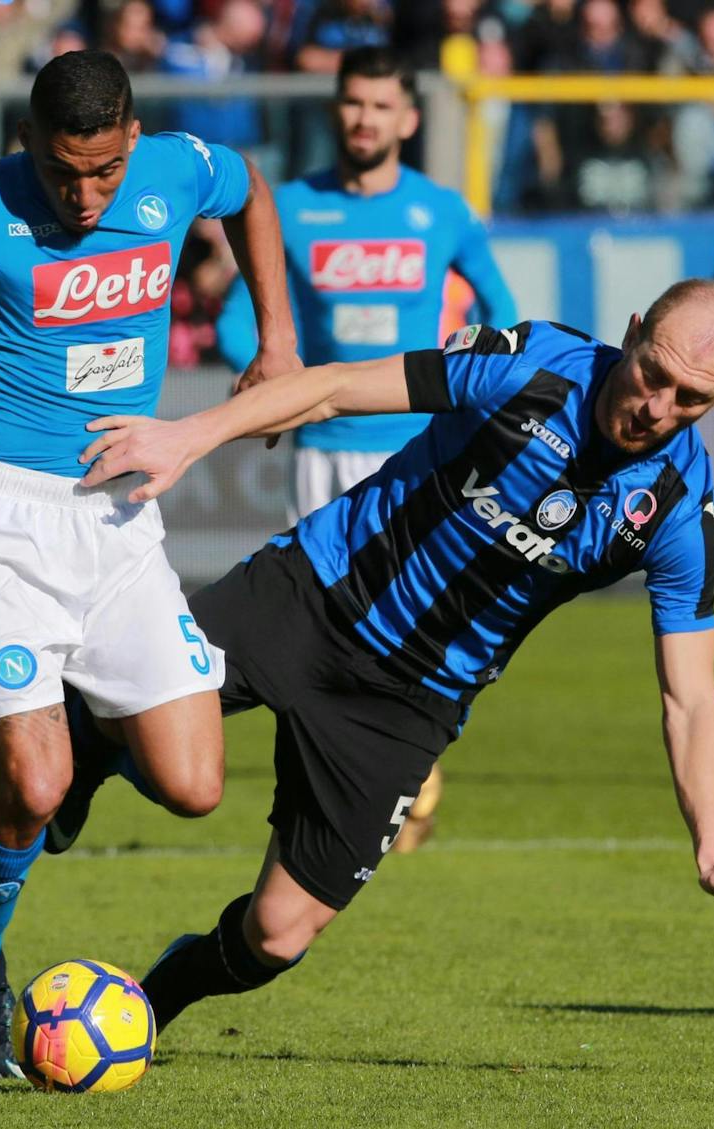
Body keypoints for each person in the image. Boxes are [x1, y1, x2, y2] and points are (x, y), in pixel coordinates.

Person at [0, 278, 714, 1045]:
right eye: (653, 370)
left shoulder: (678, 512)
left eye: (690, 397)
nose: (655, 403)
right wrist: (191, 436)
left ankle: (138, 1014)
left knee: (277, 933)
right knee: (121, 716)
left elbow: (691, 697)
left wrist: (713, 842)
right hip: (308, 596)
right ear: (635, 328)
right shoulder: (535, 365)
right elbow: (330, 386)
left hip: (409, 706)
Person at [0, 49, 298, 1078]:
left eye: (101, 172)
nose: (84, 196)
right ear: (27, 147)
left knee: (191, 786)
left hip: (121, 514)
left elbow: (252, 190)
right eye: (61, 173)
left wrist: (277, 340)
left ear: (130, 139)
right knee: (37, 785)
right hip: (0, 522)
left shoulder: (176, 169)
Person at [217, 45, 517, 848]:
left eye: (381, 106)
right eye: (353, 103)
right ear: (335, 109)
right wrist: (262, 369)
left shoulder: (443, 212)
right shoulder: (289, 207)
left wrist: (470, 380)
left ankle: (397, 778)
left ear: (408, 119)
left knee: (417, 624)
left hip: (421, 449)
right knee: (319, 625)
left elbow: (503, 311)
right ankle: (337, 798)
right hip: (324, 444)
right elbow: (239, 317)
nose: (364, 118)